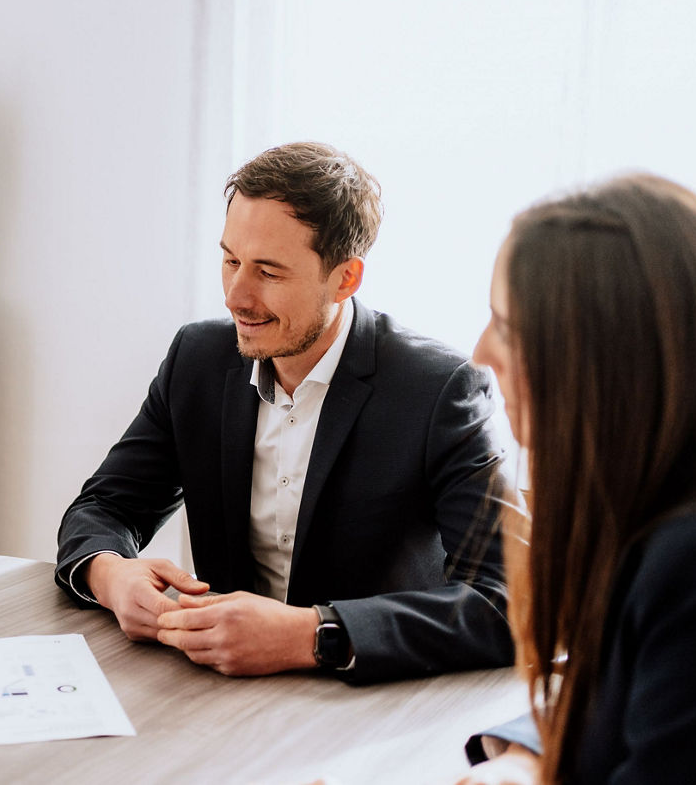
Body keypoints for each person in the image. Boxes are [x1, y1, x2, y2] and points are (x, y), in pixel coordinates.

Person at [56, 141, 513, 683]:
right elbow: (105, 506)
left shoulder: (440, 389)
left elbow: (505, 601)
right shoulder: (196, 361)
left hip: (372, 703)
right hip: (219, 693)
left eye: (268, 272)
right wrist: (111, 575)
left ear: (344, 278)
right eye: (230, 261)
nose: (236, 296)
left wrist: (310, 633)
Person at [458, 174, 696, 784]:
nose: (481, 353)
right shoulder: (667, 529)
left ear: (603, 357)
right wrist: (522, 765)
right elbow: (606, 698)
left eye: (505, 326)